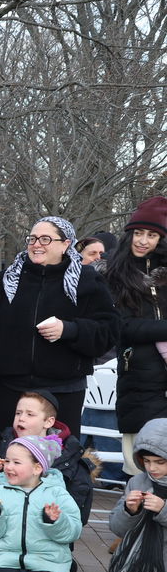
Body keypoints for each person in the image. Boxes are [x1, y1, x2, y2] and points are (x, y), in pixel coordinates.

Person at [0, 216, 121, 436]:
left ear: (66, 244)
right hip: (8, 391)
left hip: (62, 393)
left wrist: (70, 330)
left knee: (58, 463)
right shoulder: (4, 281)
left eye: (46, 239)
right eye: (33, 238)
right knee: (6, 462)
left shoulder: (87, 282)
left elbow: (109, 330)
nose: (37, 244)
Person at [100, 196, 167, 472]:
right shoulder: (115, 275)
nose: (143, 240)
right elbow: (122, 328)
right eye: (138, 233)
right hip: (138, 379)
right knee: (140, 469)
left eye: (151, 235)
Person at [0, 435, 82, 572]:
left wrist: (55, 521)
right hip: (6, 560)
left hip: (46, 561)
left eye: (16, 463)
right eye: (7, 461)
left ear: (37, 468)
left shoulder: (57, 493)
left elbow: (73, 532)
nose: (8, 467)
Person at [107, 418, 167, 572]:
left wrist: (163, 510)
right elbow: (116, 528)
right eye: (147, 461)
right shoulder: (137, 481)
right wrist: (129, 511)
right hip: (140, 567)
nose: (152, 468)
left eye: (160, 462)